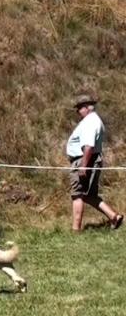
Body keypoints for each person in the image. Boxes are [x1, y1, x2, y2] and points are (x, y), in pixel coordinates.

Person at [66, 95, 123, 232]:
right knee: (89, 195)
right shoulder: (92, 121)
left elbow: (88, 146)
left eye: (79, 108)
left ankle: (75, 230)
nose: (77, 111)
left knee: (77, 194)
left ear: (86, 108)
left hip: (83, 160)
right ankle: (113, 217)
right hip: (88, 159)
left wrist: (83, 166)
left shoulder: (90, 122)